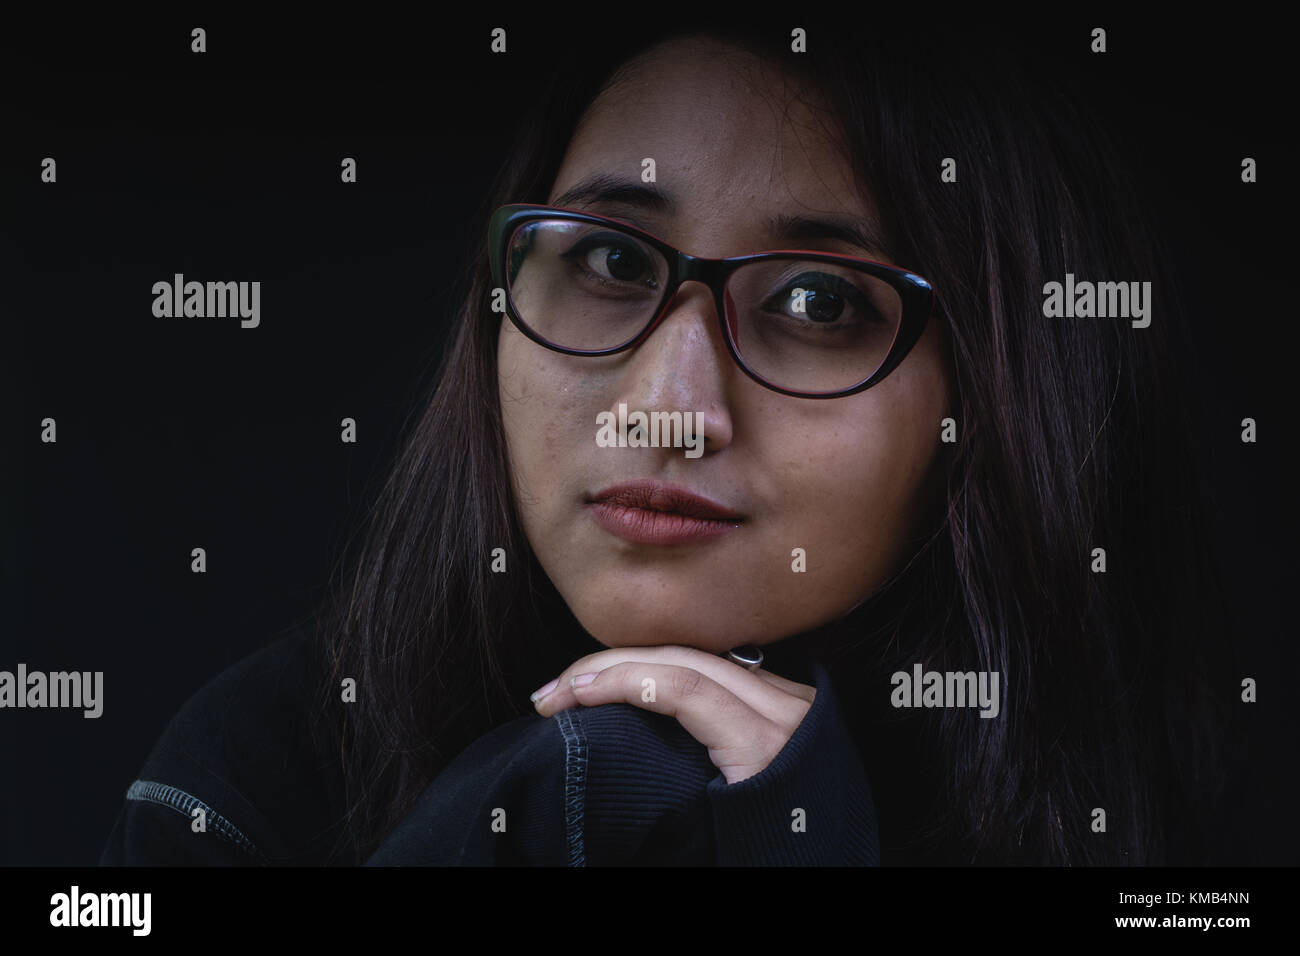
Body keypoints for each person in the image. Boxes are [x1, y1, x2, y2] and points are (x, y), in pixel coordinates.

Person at [101, 23, 1233, 867]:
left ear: (995, 388)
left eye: (820, 301)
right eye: (609, 263)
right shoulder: (254, 780)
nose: (668, 404)